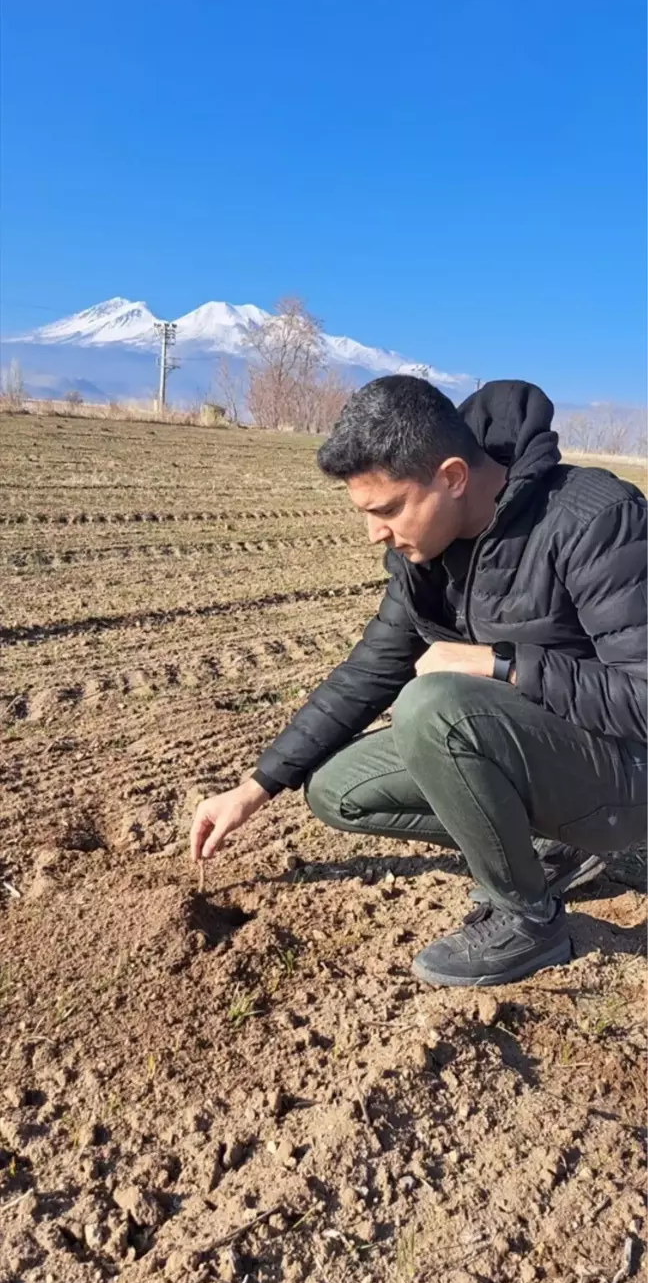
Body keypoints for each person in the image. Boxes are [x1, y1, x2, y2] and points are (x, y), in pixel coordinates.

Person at [190, 376, 648, 988]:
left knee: (435, 705)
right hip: (544, 750)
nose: (374, 533)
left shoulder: (595, 520)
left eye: (385, 509)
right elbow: (367, 672)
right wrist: (254, 788)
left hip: (627, 774)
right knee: (336, 790)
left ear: (453, 478)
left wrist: (500, 663)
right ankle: (557, 847)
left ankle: (528, 919)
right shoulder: (426, 558)